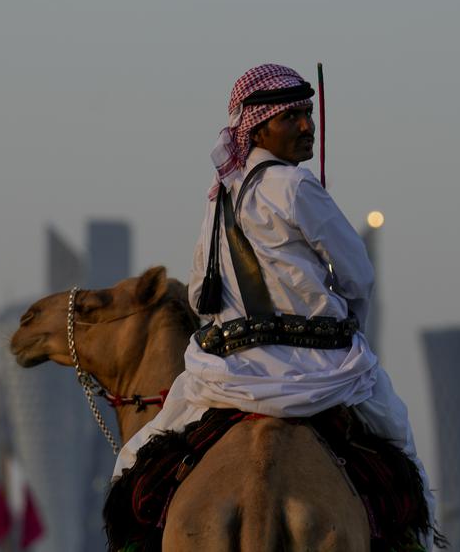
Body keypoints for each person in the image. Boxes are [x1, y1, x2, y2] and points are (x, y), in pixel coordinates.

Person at [114, 63, 435, 538]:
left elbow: (203, 296)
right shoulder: (297, 185)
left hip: (228, 373)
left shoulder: (218, 196)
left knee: (130, 468)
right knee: (403, 457)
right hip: (322, 370)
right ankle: (420, 542)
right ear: (258, 127)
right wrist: (349, 326)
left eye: (308, 113)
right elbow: (358, 276)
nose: (307, 126)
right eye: (292, 117)